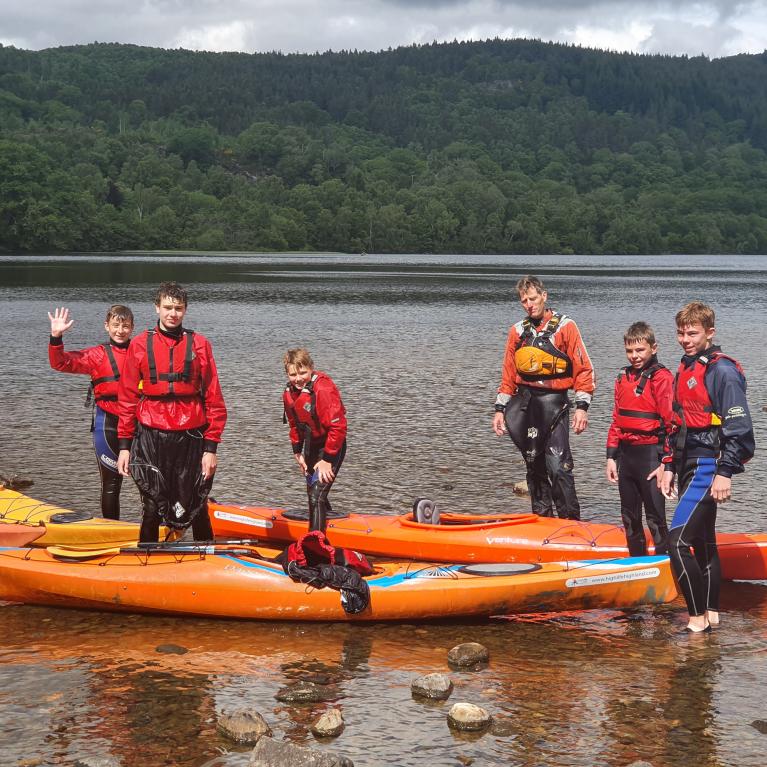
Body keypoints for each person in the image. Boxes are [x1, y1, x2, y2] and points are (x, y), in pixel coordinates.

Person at [656, 301, 754, 632]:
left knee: (678, 542)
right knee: (705, 541)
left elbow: (739, 429)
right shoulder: (685, 367)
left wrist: (725, 472)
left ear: (710, 333)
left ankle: (697, 624)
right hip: (687, 461)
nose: (685, 339)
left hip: (708, 464)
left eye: (693, 333)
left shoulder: (722, 371)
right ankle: (712, 614)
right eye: (681, 333)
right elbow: (675, 422)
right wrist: (668, 464)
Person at [116, 282, 227, 543]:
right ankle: (147, 560)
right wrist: (124, 446)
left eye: (178, 308)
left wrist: (211, 448)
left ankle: (207, 559)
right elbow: (128, 397)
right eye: (167, 307)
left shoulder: (200, 344)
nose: (172, 314)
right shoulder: (141, 344)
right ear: (157, 308)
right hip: (151, 435)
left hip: (191, 435)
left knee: (197, 503)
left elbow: (214, 397)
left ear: (185, 310)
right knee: (152, 505)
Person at [492, 275, 595, 519]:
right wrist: (499, 409)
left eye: (533, 298)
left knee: (559, 467)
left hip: (555, 404)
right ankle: (542, 522)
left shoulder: (565, 327)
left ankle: (571, 523)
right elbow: (508, 374)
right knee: (534, 466)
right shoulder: (517, 332)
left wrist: (582, 407)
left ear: (544, 296)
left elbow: (583, 368)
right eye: (524, 300)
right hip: (526, 406)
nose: (529, 304)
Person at [48, 304, 134, 520]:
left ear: (132, 328)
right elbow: (60, 363)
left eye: (125, 326)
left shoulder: (141, 352)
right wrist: (56, 337)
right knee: (111, 483)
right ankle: (112, 530)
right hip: (107, 424)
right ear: (107, 326)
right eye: (116, 325)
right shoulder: (97, 355)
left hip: (137, 424)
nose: (120, 330)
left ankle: (152, 533)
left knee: (148, 481)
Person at [605, 322, 673, 556]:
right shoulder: (622, 377)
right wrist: (611, 456)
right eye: (629, 351)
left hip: (650, 456)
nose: (634, 356)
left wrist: (666, 463)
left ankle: (666, 565)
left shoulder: (661, 378)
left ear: (653, 348)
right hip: (627, 457)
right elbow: (616, 420)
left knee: (655, 518)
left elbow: (671, 424)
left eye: (640, 350)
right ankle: (636, 566)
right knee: (630, 518)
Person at [282, 348, 347, 533]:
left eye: (302, 372)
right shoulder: (288, 393)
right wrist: (297, 451)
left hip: (331, 445)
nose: (298, 379)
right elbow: (295, 425)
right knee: (313, 491)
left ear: (311, 368)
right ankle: (331, 531)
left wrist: (327, 460)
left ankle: (315, 545)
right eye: (293, 374)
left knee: (316, 495)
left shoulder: (323, 389)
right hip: (311, 446)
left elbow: (338, 427)